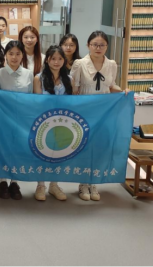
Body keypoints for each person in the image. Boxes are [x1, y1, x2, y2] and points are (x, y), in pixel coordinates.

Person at [71, 30, 128, 202]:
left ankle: (93, 182)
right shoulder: (79, 64)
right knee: (84, 147)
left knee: (99, 146)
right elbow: (74, 90)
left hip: (104, 113)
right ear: (88, 45)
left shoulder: (111, 64)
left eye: (102, 45)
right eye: (94, 44)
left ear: (107, 47)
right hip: (85, 111)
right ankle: (83, 182)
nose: (98, 48)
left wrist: (123, 91)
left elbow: (111, 86)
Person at [0, 40, 33, 200]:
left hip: (22, 119)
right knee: (3, 148)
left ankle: (15, 182)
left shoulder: (29, 74)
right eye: (11, 54)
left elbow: (31, 98)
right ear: (6, 55)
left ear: (23, 55)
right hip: (3, 119)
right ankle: (2, 181)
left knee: (18, 150)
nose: (14, 57)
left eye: (18, 54)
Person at [33, 45, 72, 202]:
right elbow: (37, 102)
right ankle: (40, 185)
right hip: (44, 122)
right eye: (53, 59)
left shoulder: (69, 79)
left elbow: (73, 102)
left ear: (64, 61)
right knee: (42, 153)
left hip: (63, 123)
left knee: (59, 153)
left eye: (60, 59)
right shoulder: (38, 78)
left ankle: (54, 185)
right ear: (47, 60)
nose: (56, 62)